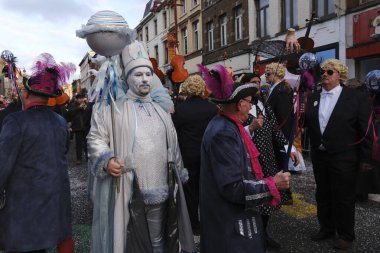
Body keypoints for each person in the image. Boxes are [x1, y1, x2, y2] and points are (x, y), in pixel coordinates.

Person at [87, 40, 195, 253]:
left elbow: (173, 145)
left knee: (158, 238)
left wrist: (178, 176)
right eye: (138, 74)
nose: (145, 79)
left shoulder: (161, 110)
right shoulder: (113, 109)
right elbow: (96, 137)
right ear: (127, 77)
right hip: (127, 188)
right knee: (128, 239)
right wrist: (107, 160)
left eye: (148, 74)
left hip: (162, 186)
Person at [198, 64, 291, 253]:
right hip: (228, 224)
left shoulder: (228, 126)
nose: (250, 106)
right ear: (240, 104)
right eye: (249, 102)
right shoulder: (223, 132)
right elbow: (233, 188)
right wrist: (272, 184)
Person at [0, 53, 74, 253]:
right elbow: (63, 151)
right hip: (52, 204)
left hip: (24, 208)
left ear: (26, 94)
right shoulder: (59, 122)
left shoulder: (16, 122)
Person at [305, 59, 374, 250]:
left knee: (343, 196)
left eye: (329, 71)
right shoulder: (312, 97)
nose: (324, 75)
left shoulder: (355, 97)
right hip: (320, 155)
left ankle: (346, 234)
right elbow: (308, 124)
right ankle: (326, 228)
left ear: (340, 75)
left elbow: (366, 129)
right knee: (323, 193)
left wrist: (366, 158)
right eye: (322, 72)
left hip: (345, 156)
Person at [241, 72, 298, 250]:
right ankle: (250, 235)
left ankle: (263, 234)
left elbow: (274, 129)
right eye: (253, 83)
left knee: (267, 198)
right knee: (252, 198)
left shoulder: (263, 104)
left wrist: (291, 149)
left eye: (259, 82)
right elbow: (232, 133)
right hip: (249, 160)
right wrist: (250, 127)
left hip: (268, 158)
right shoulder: (239, 107)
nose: (257, 86)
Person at [172, 74, 218, 235]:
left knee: (190, 190)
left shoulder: (180, 109)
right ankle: (209, 221)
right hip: (207, 153)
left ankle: (193, 223)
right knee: (207, 187)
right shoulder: (212, 108)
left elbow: (174, 132)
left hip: (188, 154)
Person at [68, 92, 88, 165]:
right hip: (77, 127)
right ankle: (79, 158)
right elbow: (70, 112)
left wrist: (86, 106)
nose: (81, 100)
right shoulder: (73, 104)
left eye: (82, 98)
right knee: (78, 144)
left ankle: (87, 157)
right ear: (77, 99)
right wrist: (79, 107)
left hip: (86, 126)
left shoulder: (86, 104)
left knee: (87, 143)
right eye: (80, 98)